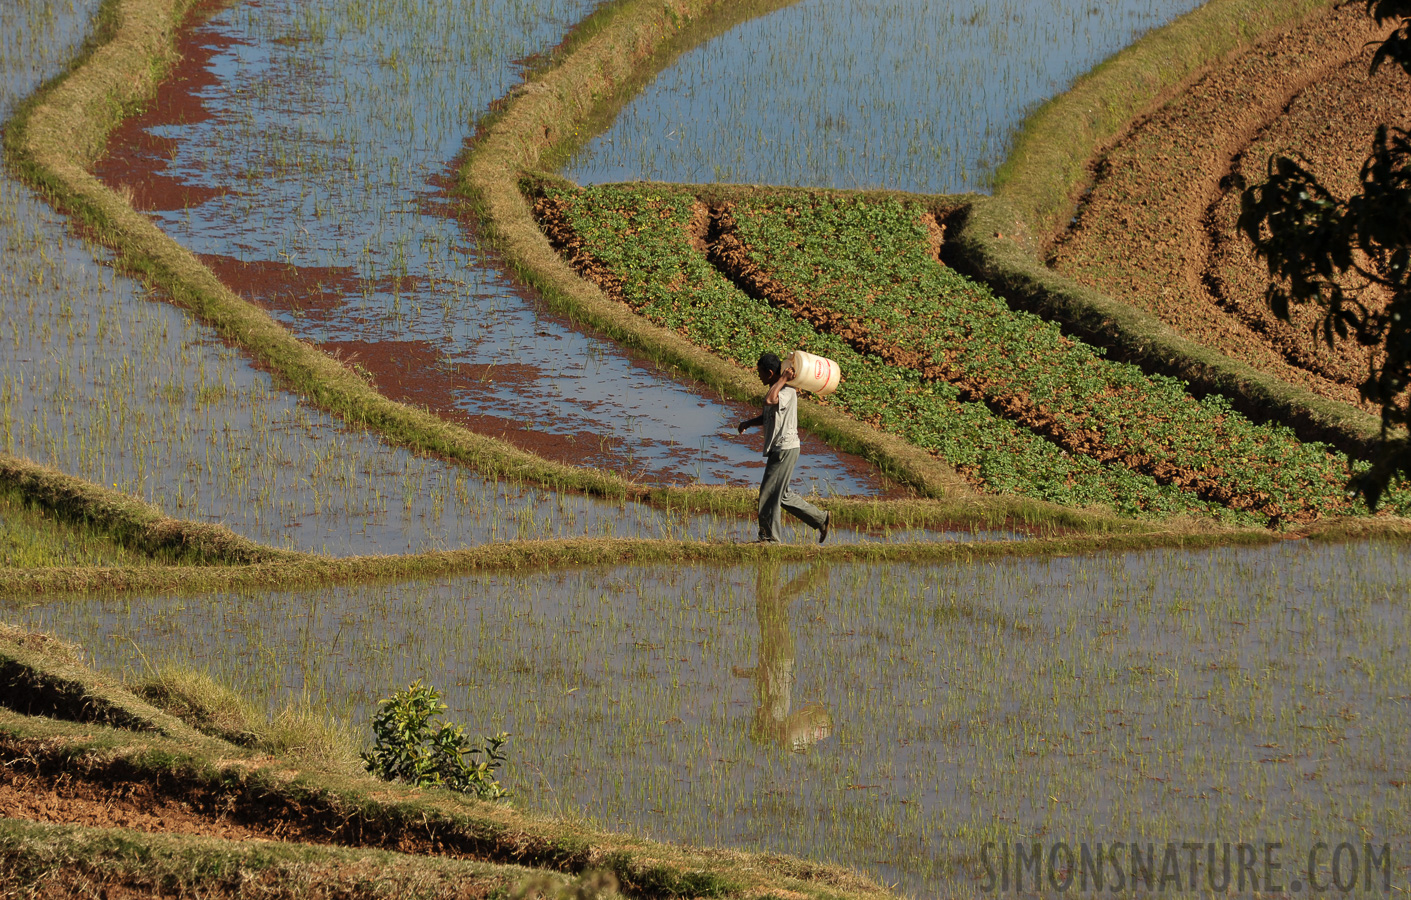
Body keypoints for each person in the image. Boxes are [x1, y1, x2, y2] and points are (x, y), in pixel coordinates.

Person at [737, 351, 831, 544]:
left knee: (768, 494)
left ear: (771, 373)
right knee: (783, 495)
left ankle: (770, 539)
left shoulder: (786, 391)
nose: (758, 376)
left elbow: (770, 400)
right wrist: (748, 423)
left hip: (785, 448)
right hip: (779, 448)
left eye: (760, 372)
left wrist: (782, 380)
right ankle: (821, 518)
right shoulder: (777, 388)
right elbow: (768, 414)